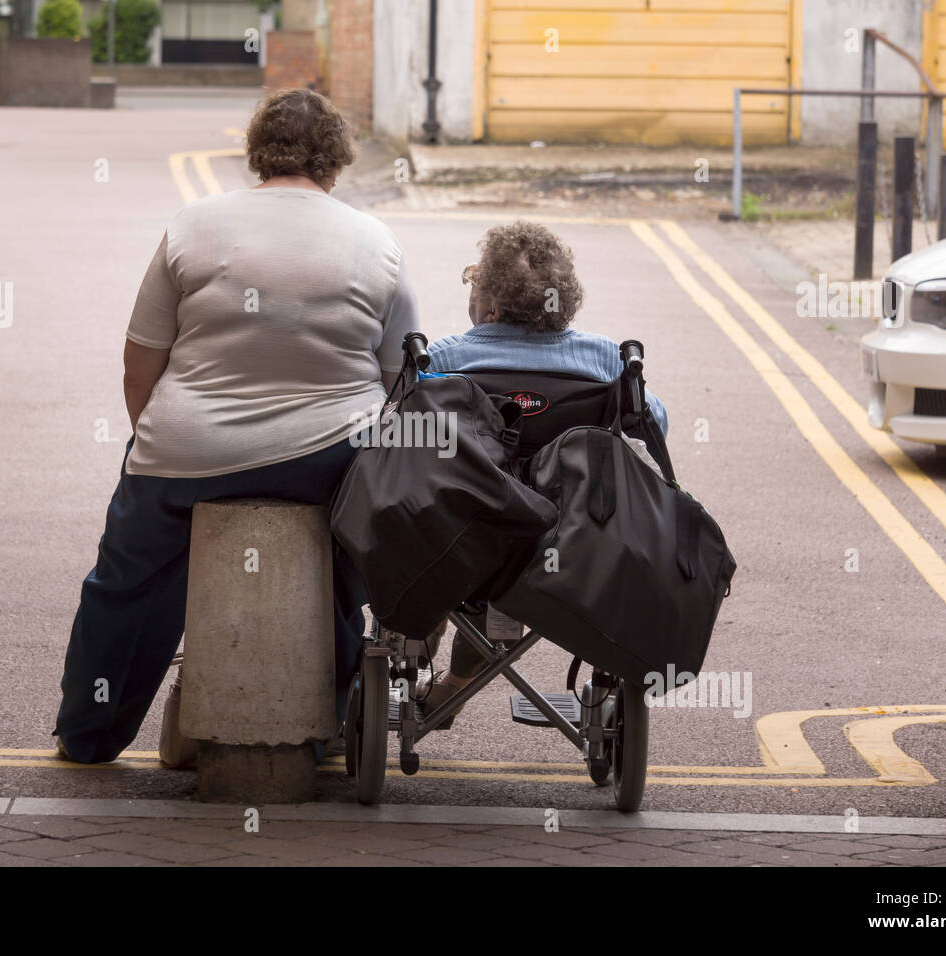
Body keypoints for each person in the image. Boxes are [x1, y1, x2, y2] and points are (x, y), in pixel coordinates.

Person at [53, 88, 420, 765]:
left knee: (127, 586)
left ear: (256, 153)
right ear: (336, 161)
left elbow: (140, 363)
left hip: (190, 448)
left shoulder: (192, 226)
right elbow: (402, 381)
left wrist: (158, 444)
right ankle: (328, 725)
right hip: (332, 459)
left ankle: (89, 734)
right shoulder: (378, 244)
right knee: (343, 577)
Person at [418, 220, 668, 723]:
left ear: (489, 306)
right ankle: (458, 682)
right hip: (575, 545)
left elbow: (398, 432)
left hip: (463, 541)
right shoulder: (603, 359)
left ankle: (432, 658)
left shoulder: (443, 360)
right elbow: (654, 424)